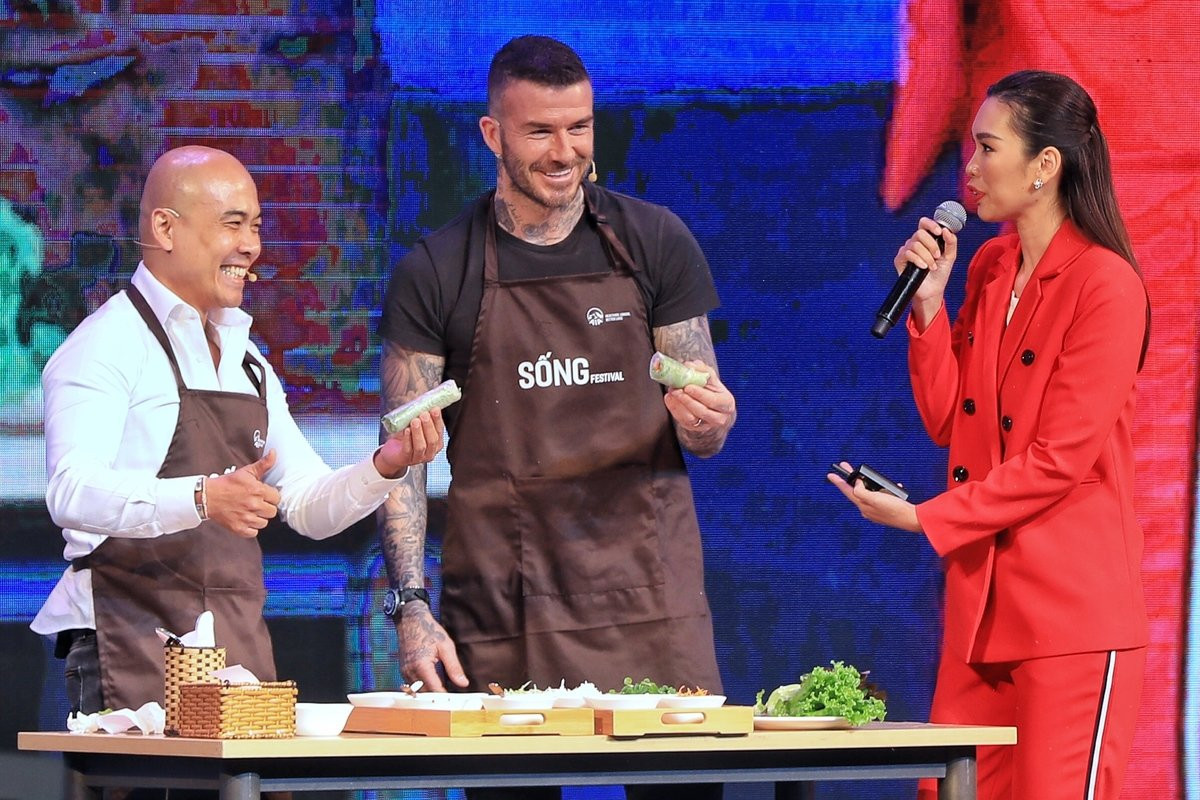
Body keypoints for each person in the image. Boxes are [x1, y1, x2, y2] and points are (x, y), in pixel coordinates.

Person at [378, 35, 735, 800]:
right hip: (506, 607)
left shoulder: (654, 243)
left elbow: (703, 431)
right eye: (539, 131)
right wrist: (411, 608)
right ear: (492, 134)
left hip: (649, 603)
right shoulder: (435, 272)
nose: (565, 152)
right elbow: (400, 463)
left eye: (579, 127)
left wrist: (708, 421)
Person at [31, 145, 446, 720]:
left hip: (234, 653)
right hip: (130, 645)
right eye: (233, 224)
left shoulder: (246, 362)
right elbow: (71, 492)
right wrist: (204, 497)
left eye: (255, 226)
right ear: (165, 228)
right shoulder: (105, 346)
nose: (251, 246)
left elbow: (306, 505)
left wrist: (385, 465)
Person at [830, 70, 1149, 800]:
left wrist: (925, 518)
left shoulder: (1106, 286)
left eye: (986, 147)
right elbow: (952, 418)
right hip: (981, 613)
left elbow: (1058, 461)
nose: (968, 168)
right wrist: (930, 305)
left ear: (1045, 164)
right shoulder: (993, 265)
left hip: (1071, 621)